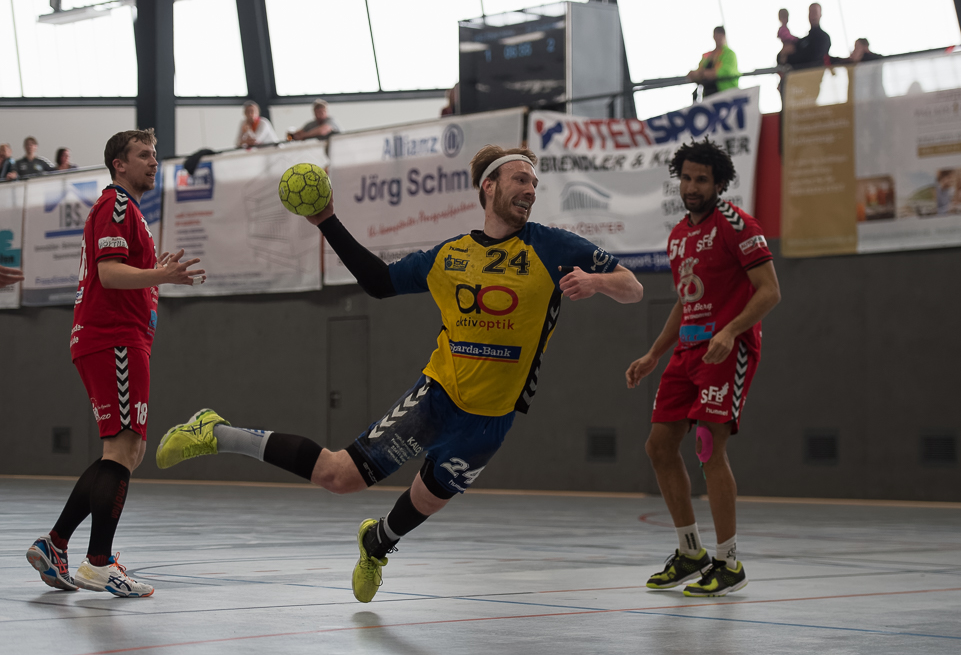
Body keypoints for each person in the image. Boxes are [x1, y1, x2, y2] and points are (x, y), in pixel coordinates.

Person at [155, 144, 644, 604]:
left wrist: (597, 282)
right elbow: (378, 281)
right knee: (339, 477)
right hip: (438, 398)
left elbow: (633, 287)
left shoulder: (553, 246)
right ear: (489, 186)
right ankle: (215, 432)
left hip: (493, 419)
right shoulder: (450, 256)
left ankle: (375, 545)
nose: (531, 190)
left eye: (535, 184)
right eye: (521, 179)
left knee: (426, 501)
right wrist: (326, 220)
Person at [25, 129, 205, 598]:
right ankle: (99, 563)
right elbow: (108, 273)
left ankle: (55, 544)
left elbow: (123, 272)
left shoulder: (130, 212)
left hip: (120, 340)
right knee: (123, 448)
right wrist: (161, 273)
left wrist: (154, 274)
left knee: (127, 450)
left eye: (155, 155)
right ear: (118, 164)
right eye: (144, 155)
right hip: (113, 340)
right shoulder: (117, 205)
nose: (154, 162)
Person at [626, 139, 780, 598]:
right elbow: (683, 301)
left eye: (702, 180)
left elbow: (769, 291)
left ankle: (729, 562)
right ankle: (690, 552)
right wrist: (654, 353)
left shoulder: (736, 224)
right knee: (659, 446)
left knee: (708, 446)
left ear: (719, 184)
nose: (692, 187)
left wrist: (730, 331)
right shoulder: (678, 235)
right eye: (687, 178)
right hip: (686, 352)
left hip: (726, 349)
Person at [687, 26, 739, 100]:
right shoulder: (707, 56)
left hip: (726, 96)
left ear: (724, 36)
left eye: (720, 35)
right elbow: (697, 72)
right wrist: (696, 74)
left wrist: (702, 74)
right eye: (716, 35)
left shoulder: (729, 54)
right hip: (708, 97)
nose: (718, 38)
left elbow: (724, 72)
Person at [782, 3, 830, 69]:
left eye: (815, 12)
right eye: (811, 12)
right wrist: (783, 54)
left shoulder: (824, 38)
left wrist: (791, 57)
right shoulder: (803, 41)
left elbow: (814, 58)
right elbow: (786, 54)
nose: (813, 15)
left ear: (820, 14)